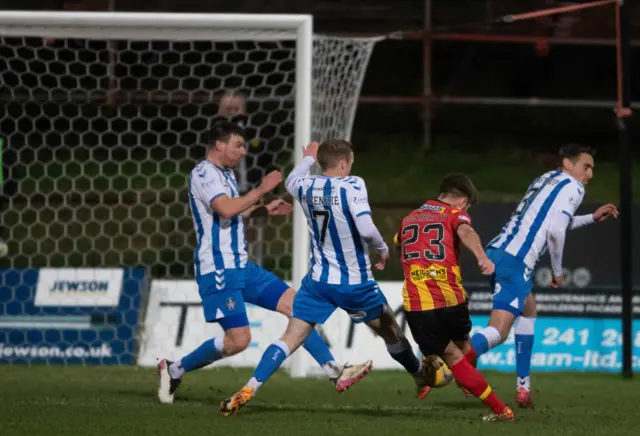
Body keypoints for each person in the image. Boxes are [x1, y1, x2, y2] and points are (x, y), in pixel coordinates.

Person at [219, 139, 428, 416]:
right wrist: (382, 249)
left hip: (318, 281)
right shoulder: (352, 184)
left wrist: (308, 157)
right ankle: (419, 375)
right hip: (354, 283)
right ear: (344, 163)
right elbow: (366, 228)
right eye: (350, 162)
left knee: (291, 337)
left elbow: (293, 177)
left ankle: (250, 388)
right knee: (389, 328)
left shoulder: (303, 185)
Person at [157, 122, 361, 404]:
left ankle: (334, 370)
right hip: (218, 268)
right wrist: (262, 189)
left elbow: (230, 214)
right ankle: (174, 368)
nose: (243, 152)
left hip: (241, 265)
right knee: (238, 341)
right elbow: (226, 208)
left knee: (298, 307)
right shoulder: (203, 173)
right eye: (238, 145)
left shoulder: (225, 175)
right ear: (219, 144)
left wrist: (263, 208)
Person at [466, 144, 618, 409]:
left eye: (593, 168)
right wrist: (557, 272)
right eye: (586, 166)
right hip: (516, 261)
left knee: (529, 308)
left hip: (499, 250)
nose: (590, 174)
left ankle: (523, 388)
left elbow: (553, 221)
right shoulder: (573, 186)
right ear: (568, 165)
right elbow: (556, 232)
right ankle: (454, 364)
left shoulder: (546, 179)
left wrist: (591, 218)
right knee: (499, 331)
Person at [394, 174, 514, 422]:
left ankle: (498, 408)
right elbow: (467, 231)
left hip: (419, 304)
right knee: (464, 347)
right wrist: (481, 256)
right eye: (467, 205)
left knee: (450, 356)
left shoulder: (408, 219)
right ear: (462, 200)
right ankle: (476, 389)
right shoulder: (452, 214)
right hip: (452, 298)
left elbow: (399, 246)